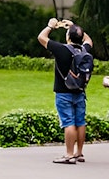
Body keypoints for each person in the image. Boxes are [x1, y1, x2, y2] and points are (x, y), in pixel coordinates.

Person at [37, 18, 92, 164]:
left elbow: (41, 37)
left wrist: (51, 26)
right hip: (80, 92)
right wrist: (74, 27)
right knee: (80, 122)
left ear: (68, 37)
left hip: (63, 91)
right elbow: (89, 40)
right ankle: (79, 153)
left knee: (68, 122)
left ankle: (69, 155)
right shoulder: (84, 50)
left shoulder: (61, 49)